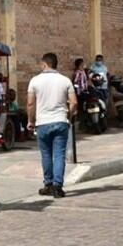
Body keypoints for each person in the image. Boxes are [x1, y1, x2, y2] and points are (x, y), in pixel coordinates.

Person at [27, 53, 77, 198]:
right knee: (59, 154)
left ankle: (48, 184)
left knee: (46, 154)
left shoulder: (35, 81)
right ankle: (58, 187)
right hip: (60, 121)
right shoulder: (65, 80)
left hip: (42, 122)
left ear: (44, 64)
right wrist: (68, 116)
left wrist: (30, 121)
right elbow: (74, 102)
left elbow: (30, 103)